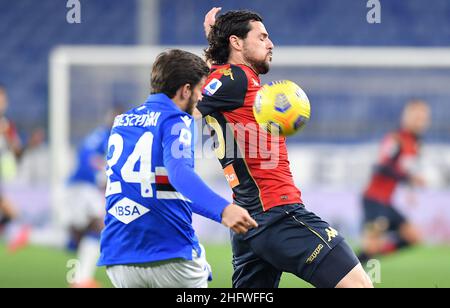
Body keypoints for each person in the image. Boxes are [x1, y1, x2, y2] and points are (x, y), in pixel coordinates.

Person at [197, 8, 373, 288]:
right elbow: (189, 100)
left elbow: (204, 86)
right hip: (278, 214)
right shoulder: (237, 79)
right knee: (359, 285)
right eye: (262, 37)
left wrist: (213, 42)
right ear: (237, 42)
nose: (271, 44)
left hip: (248, 222)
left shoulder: (234, 80)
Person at [97, 49, 257, 288]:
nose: (202, 97)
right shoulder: (177, 120)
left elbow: (166, 188)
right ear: (185, 90)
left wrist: (217, 212)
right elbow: (180, 174)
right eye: (200, 89)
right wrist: (224, 210)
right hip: (169, 252)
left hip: (119, 257)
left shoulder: (122, 122)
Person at [8, 108, 122, 288]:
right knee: (99, 227)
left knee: (75, 239)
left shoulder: (115, 139)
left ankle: (30, 235)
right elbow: (86, 159)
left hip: (83, 192)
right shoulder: (101, 136)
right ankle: (82, 280)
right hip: (80, 189)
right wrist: (103, 176)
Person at [358, 100, 430, 263]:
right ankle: (349, 269)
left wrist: (411, 188)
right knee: (371, 247)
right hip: (374, 199)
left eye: (424, 118)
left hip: (387, 202)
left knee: (413, 237)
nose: (421, 121)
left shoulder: (417, 144)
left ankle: (368, 257)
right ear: (406, 118)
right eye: (417, 117)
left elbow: (404, 170)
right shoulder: (395, 139)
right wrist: (409, 179)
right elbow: (382, 167)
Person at [0, 85, 24, 234]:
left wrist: (8, 136)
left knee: (11, 212)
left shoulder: (7, 124)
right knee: (11, 211)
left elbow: (18, 151)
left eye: (2, 99)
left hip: (4, 175)